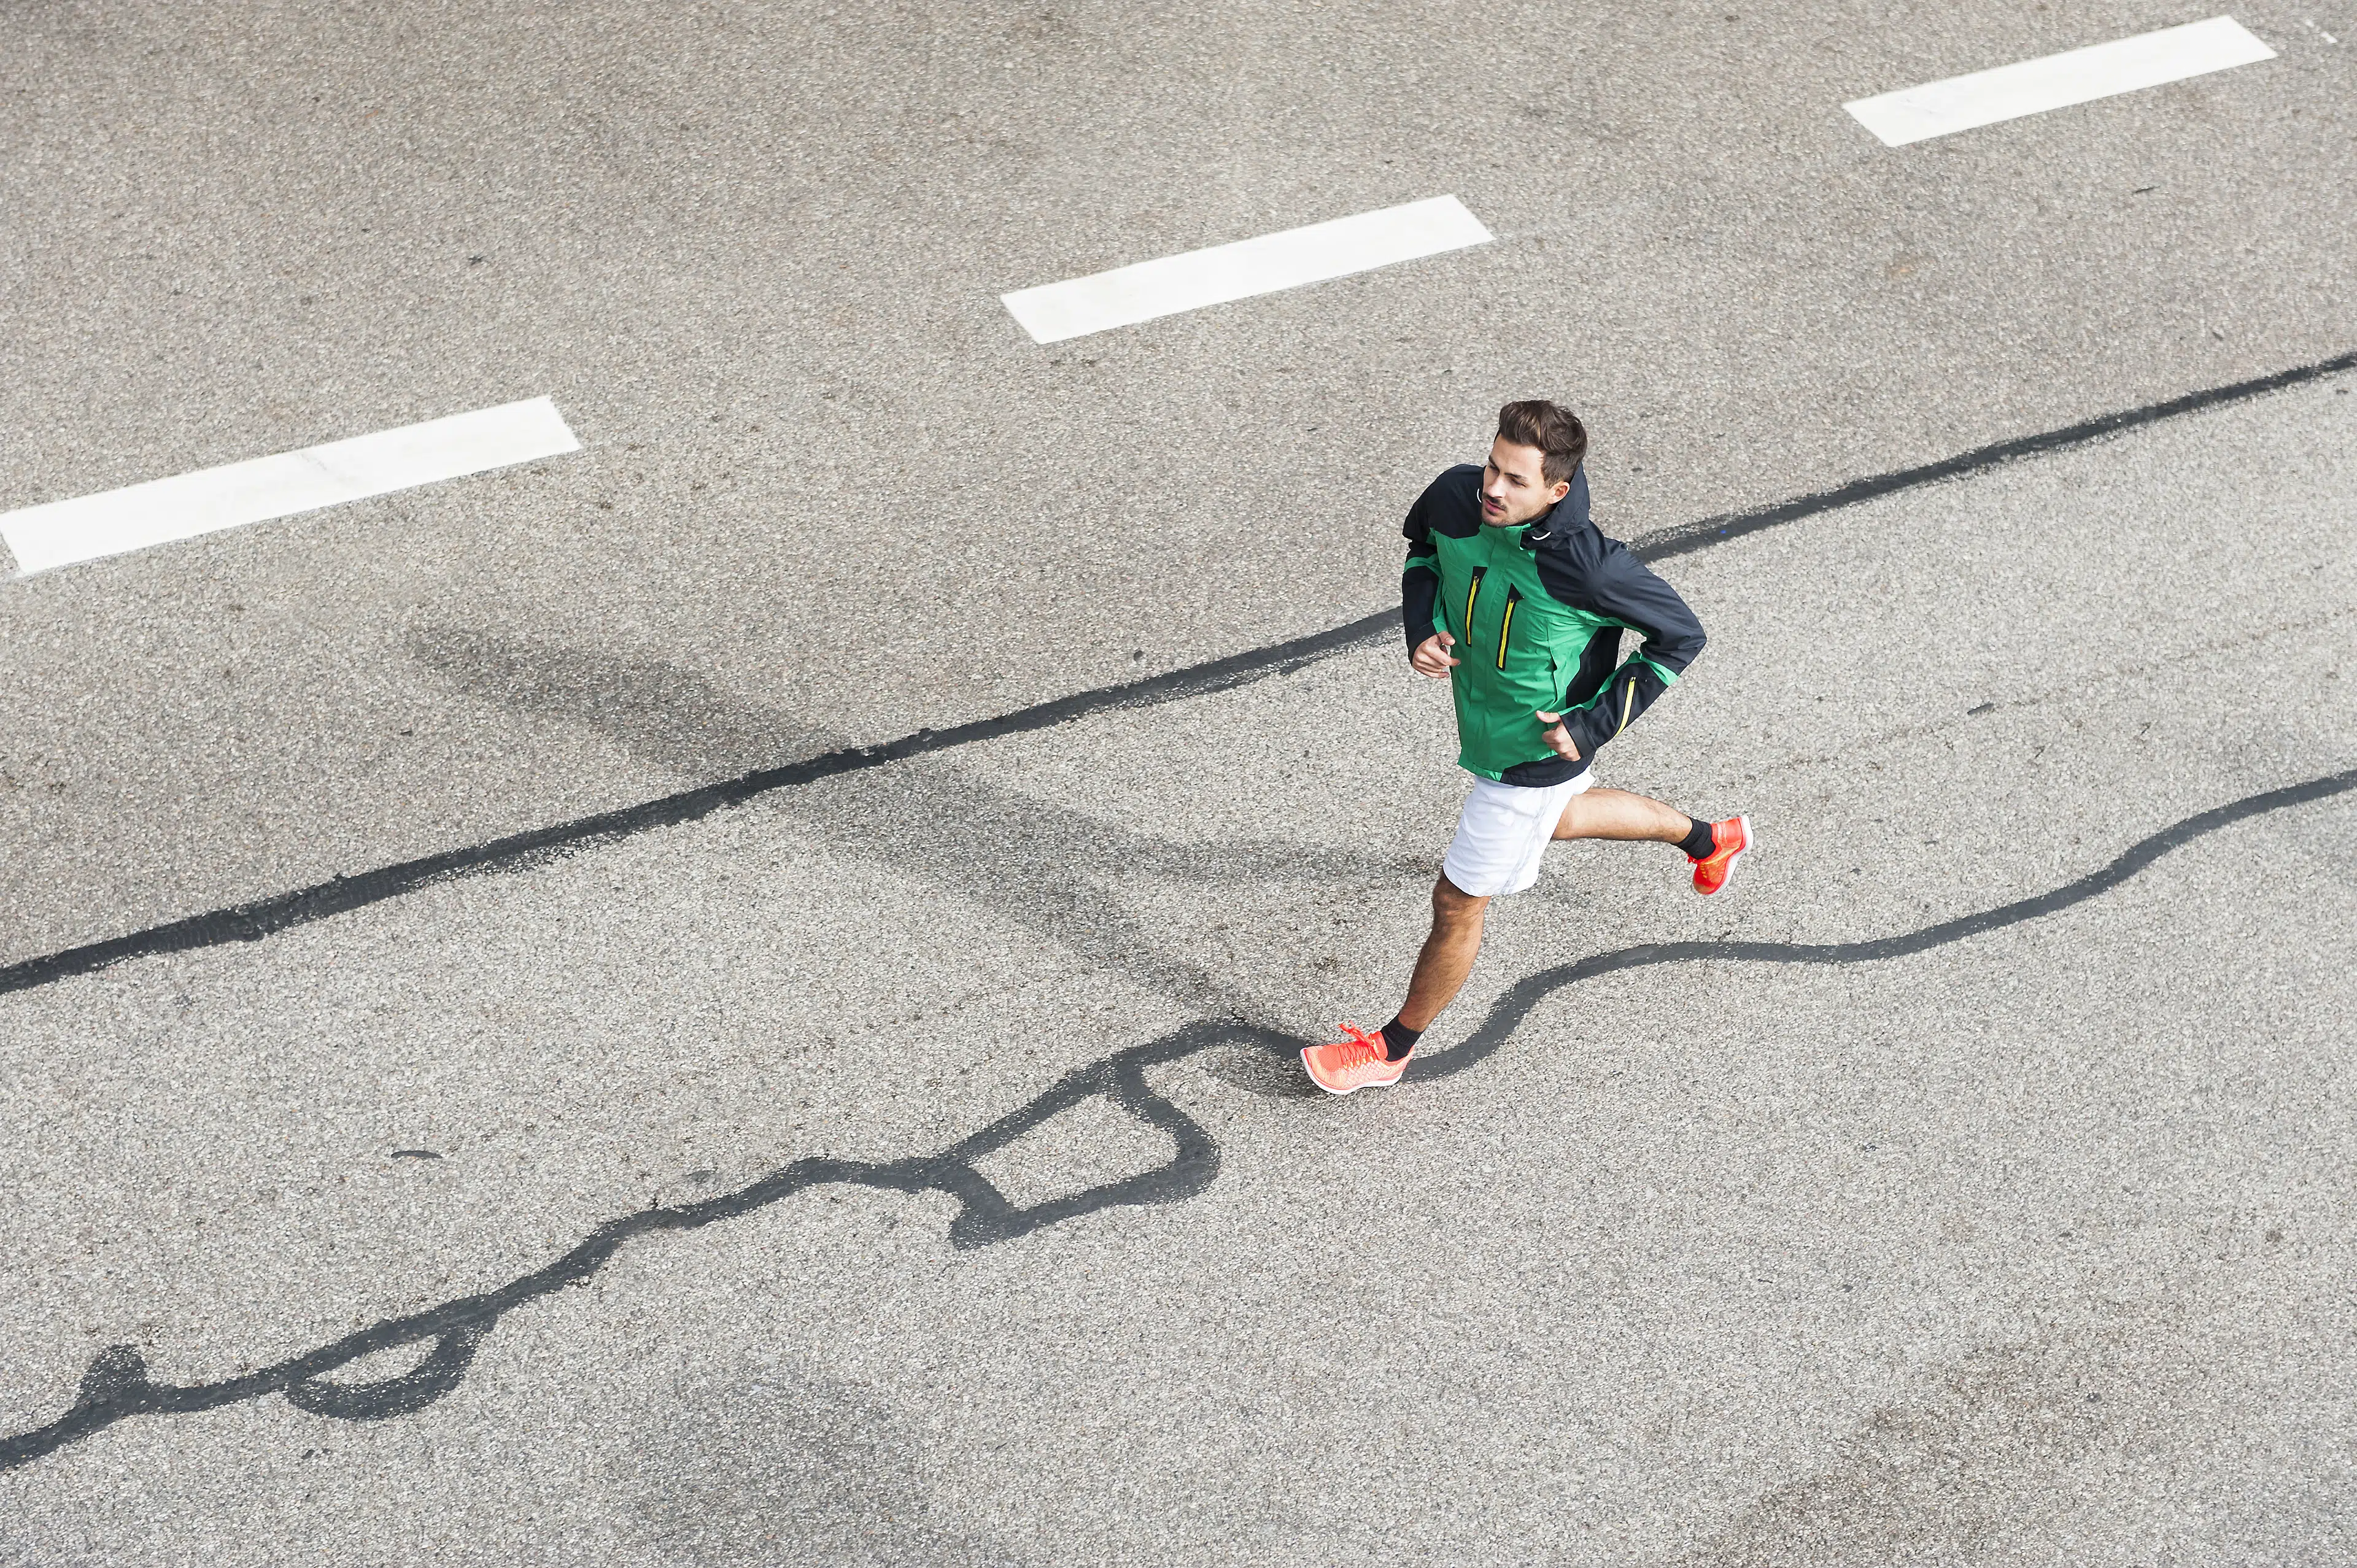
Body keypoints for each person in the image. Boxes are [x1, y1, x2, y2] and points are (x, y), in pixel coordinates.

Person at [1302, 400, 1751, 1095]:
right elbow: (1421, 553)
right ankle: (1708, 838)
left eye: (1516, 480)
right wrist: (1420, 627)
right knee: (1562, 819)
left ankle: (1391, 1049)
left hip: (1531, 756)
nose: (1493, 488)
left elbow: (1680, 638)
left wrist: (1593, 725)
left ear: (1556, 493)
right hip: (1489, 727)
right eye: (1493, 466)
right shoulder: (1455, 496)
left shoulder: (1592, 568)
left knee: (1458, 900)